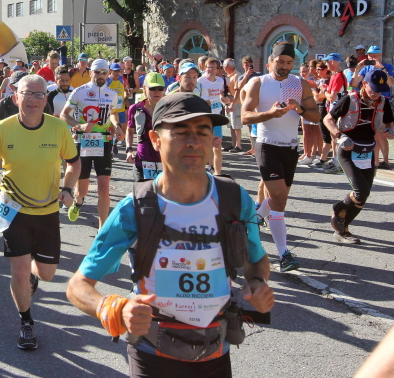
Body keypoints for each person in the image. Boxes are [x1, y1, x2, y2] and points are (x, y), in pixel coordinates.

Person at [66, 93, 274, 378]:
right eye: (180, 132)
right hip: (152, 354)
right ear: (155, 139)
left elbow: (256, 260)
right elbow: (77, 286)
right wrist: (113, 308)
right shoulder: (135, 208)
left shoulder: (234, 199)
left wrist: (258, 282)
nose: (193, 142)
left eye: (203, 132)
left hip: (216, 350)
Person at [0, 75, 80, 350]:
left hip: (47, 209)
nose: (33, 100)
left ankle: (32, 275)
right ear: (16, 97)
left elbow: (74, 164)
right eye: (27, 94)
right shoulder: (2, 128)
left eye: (39, 94)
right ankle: (26, 321)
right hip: (13, 208)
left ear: (46, 99)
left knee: (47, 273)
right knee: (18, 270)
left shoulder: (58, 128)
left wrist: (67, 188)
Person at [242, 41, 319, 272]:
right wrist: (270, 114)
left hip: (290, 148)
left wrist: (300, 109)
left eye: (289, 62)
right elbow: (245, 116)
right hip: (267, 146)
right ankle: (284, 254)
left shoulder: (300, 84)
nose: (284, 66)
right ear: (271, 61)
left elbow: (315, 116)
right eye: (280, 61)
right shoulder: (259, 82)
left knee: (279, 196)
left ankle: (247, 224)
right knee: (279, 199)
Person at [324, 69, 394, 243]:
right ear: (364, 84)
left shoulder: (383, 102)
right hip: (348, 150)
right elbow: (328, 119)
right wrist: (339, 136)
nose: (376, 94)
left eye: (380, 90)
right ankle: (339, 208)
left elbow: (389, 122)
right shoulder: (349, 99)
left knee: (364, 195)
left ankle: (343, 228)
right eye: (373, 89)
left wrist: (390, 130)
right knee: (360, 191)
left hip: (367, 151)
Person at [61, 58, 124, 227]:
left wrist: (117, 126)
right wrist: (79, 125)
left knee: (104, 188)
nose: (101, 76)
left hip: (103, 142)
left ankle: (102, 229)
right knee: (82, 190)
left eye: (104, 73)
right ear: (90, 73)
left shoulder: (112, 94)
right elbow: (64, 115)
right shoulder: (79, 92)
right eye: (97, 72)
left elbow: (113, 113)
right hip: (84, 142)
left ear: (108, 74)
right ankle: (78, 202)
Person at [350, 45, 394, 169]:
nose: (372, 58)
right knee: (373, 133)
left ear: (380, 55)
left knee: (381, 132)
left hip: (383, 101)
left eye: (375, 56)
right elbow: (354, 84)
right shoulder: (366, 68)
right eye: (370, 56)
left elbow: (390, 84)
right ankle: (375, 161)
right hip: (368, 102)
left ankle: (385, 160)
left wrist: (382, 68)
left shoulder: (388, 67)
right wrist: (357, 69)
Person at [126, 72, 165, 182]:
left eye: (160, 88)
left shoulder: (170, 109)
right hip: (142, 160)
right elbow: (130, 130)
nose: (157, 92)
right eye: (152, 88)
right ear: (144, 89)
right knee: (143, 191)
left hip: (165, 160)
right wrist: (129, 150)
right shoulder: (135, 109)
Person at [197, 57, 232, 175]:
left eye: (213, 68)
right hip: (204, 117)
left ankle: (217, 172)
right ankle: (204, 168)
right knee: (204, 145)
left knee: (217, 145)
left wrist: (226, 102)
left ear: (217, 70)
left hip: (217, 117)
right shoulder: (200, 81)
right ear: (205, 68)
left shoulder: (220, 81)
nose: (210, 70)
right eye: (208, 67)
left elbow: (221, 95)